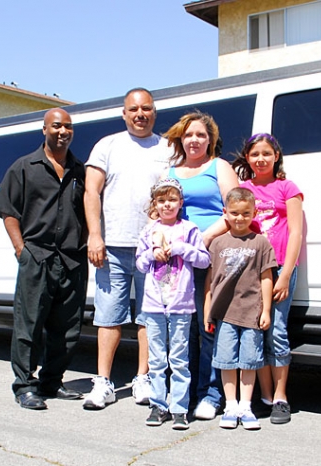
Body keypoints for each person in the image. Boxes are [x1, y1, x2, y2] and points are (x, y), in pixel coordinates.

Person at [0, 108, 88, 410]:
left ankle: (51, 381)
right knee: (29, 325)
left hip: (72, 260)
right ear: (44, 129)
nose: (63, 131)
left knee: (68, 328)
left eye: (68, 127)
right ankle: (25, 385)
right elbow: (8, 212)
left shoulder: (80, 170)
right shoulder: (24, 167)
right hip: (37, 257)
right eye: (56, 126)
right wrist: (22, 250)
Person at [83, 88, 172, 409]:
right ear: (124, 113)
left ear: (154, 112)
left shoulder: (167, 149)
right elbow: (91, 192)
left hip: (153, 250)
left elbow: (173, 197)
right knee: (109, 316)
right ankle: (103, 382)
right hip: (112, 249)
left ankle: (143, 379)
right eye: (133, 109)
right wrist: (95, 235)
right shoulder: (107, 145)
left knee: (149, 317)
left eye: (146, 109)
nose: (140, 114)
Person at [162, 112, 238, 420]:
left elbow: (236, 209)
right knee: (182, 329)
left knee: (208, 327)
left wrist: (204, 237)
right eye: (189, 134)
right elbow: (161, 208)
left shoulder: (219, 167)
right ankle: (183, 392)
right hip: (179, 261)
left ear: (211, 139)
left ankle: (211, 393)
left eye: (201, 135)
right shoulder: (171, 171)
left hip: (210, 255)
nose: (194, 140)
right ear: (181, 138)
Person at [233, 133, 304, 425]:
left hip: (278, 270)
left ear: (276, 156)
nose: (260, 159)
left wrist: (285, 274)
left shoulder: (288, 188)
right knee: (256, 333)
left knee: (276, 331)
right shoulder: (243, 188)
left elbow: (297, 233)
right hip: (250, 271)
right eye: (254, 154)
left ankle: (280, 397)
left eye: (266, 153)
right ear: (247, 158)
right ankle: (264, 397)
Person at [135, 178, 211, 429]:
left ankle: (179, 408)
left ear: (180, 203)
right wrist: (151, 254)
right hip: (155, 304)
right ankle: (158, 405)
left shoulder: (188, 229)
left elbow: (203, 260)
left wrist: (181, 249)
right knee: (157, 359)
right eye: (161, 200)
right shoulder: (148, 231)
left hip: (181, 303)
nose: (167, 205)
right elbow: (139, 263)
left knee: (179, 358)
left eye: (172, 200)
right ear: (155, 204)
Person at [203, 187, 276, 430]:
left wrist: (265, 310)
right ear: (225, 213)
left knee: (249, 361)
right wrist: (207, 312)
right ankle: (230, 405)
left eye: (246, 213)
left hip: (251, 314)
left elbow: (267, 278)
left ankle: (245, 406)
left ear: (254, 213)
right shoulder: (217, 243)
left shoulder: (261, 243)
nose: (240, 218)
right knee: (225, 361)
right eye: (234, 213)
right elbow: (210, 281)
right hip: (224, 314)